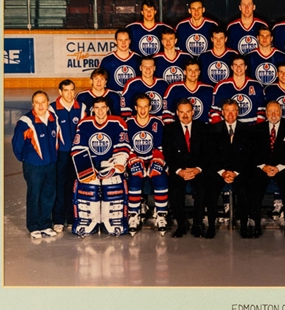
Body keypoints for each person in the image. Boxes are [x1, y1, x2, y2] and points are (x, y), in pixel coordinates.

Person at [70, 96, 131, 237]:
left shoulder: (118, 122)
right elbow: (77, 149)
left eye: (103, 107)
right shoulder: (84, 124)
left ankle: (113, 218)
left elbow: (123, 147)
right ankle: (88, 219)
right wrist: (90, 169)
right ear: (93, 109)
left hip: (110, 164)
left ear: (108, 108)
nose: (100, 111)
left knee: (113, 181)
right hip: (91, 166)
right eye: (97, 108)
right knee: (88, 181)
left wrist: (114, 166)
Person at [12, 91, 60, 239]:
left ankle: (46, 224)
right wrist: (28, 160)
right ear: (33, 104)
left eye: (43, 102)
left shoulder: (53, 118)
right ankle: (34, 226)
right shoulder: (25, 122)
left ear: (47, 103)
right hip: (34, 167)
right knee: (35, 195)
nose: (40, 105)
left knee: (49, 195)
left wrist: (53, 157)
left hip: (51, 164)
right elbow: (17, 146)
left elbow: (56, 139)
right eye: (37, 102)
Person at [249, 101, 285, 238]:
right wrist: (264, 167)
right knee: (255, 190)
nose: (273, 114)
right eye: (270, 111)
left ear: (281, 113)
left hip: (282, 168)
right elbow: (253, 153)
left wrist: (278, 168)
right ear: (265, 114)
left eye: (276, 111)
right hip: (263, 168)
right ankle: (257, 227)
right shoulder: (257, 129)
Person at [162, 99, 210, 238]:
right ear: (177, 113)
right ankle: (181, 224)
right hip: (179, 170)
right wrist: (179, 171)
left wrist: (197, 169)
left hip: (197, 170)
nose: (185, 115)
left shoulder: (203, 128)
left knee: (202, 189)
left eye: (187, 112)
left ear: (192, 112)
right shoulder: (169, 129)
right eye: (181, 112)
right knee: (175, 191)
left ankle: (197, 224)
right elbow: (168, 154)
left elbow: (207, 152)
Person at [206, 100, 253, 239]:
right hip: (220, 171)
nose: (230, 114)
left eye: (233, 111)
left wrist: (235, 172)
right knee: (211, 190)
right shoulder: (213, 129)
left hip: (239, 171)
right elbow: (210, 155)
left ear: (238, 112)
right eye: (227, 111)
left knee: (244, 191)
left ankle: (244, 227)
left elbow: (248, 156)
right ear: (222, 112)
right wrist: (223, 172)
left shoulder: (247, 130)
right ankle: (211, 227)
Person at [126, 93, 168, 234]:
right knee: (135, 178)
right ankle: (133, 215)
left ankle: (161, 214)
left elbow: (160, 147)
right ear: (135, 107)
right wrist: (133, 160)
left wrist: (156, 161)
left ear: (150, 107)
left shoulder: (157, 122)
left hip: (152, 159)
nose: (143, 110)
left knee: (160, 177)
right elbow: (126, 147)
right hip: (135, 160)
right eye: (140, 107)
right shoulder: (128, 123)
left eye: (146, 107)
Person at [49, 80, 86, 232]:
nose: (69, 94)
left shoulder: (81, 107)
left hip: (76, 154)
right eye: (66, 90)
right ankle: (58, 219)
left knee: (74, 186)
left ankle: (72, 218)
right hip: (61, 154)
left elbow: (84, 130)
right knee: (59, 185)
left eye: (72, 90)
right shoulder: (52, 108)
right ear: (60, 92)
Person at [210, 55, 265, 124]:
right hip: (229, 129)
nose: (238, 67)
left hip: (251, 129)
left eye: (241, 65)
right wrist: (221, 130)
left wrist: (257, 129)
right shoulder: (221, 86)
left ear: (246, 67)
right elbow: (215, 111)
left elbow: (262, 111)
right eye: (235, 65)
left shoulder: (257, 85)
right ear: (232, 67)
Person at [162, 60, 214, 124]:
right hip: (180, 130)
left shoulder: (208, 89)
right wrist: (173, 130)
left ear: (199, 72)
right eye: (190, 70)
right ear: (185, 72)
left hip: (203, 130)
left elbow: (213, 113)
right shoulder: (174, 88)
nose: (193, 73)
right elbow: (167, 113)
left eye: (196, 70)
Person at [99, 27, 142, 92]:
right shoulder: (107, 60)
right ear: (115, 41)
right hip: (113, 99)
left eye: (126, 40)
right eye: (120, 40)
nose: (123, 43)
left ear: (129, 41)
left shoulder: (138, 59)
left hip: (133, 98)